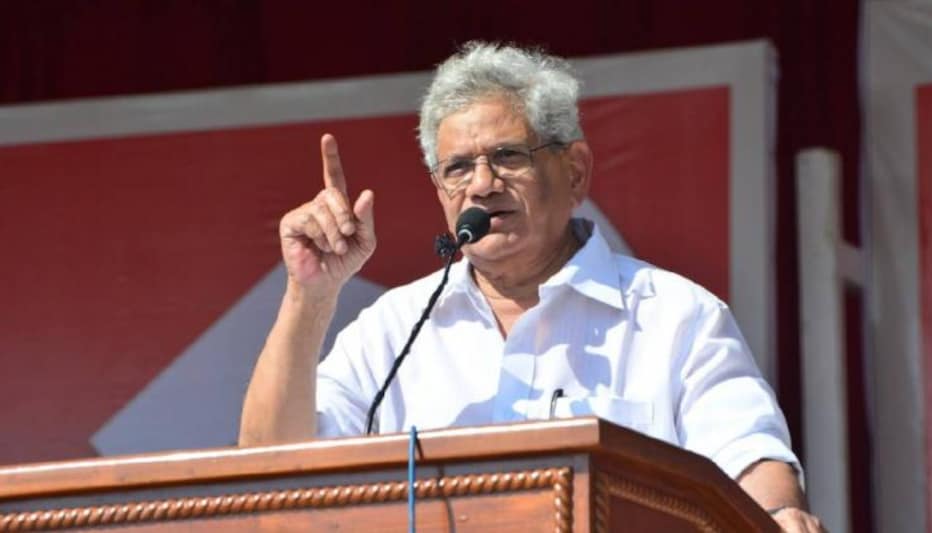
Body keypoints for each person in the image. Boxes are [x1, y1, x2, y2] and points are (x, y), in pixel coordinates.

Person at [239, 41, 825, 532]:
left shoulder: (675, 316)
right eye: (458, 168)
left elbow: (752, 461)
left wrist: (779, 513)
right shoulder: (391, 332)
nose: (483, 185)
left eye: (508, 156)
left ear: (574, 173)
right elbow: (270, 474)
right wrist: (309, 297)